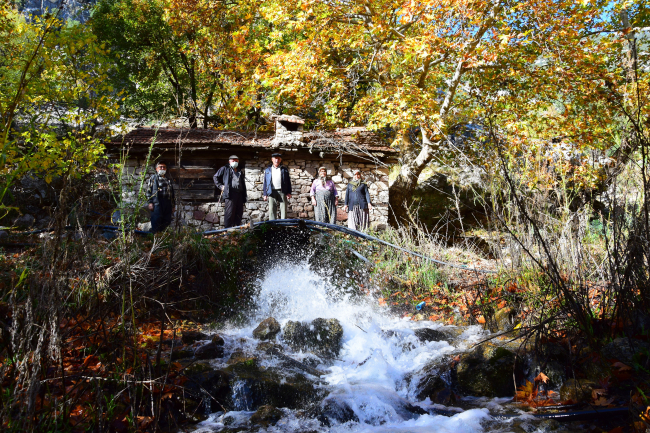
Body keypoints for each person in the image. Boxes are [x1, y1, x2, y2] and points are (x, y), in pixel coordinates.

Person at [214, 155, 247, 228]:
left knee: (239, 212)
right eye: (233, 161)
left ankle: (237, 229)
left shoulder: (240, 170)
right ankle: (227, 230)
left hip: (240, 194)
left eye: (236, 161)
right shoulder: (224, 169)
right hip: (230, 194)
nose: (235, 162)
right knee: (230, 212)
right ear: (229, 162)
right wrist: (220, 186)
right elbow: (215, 177)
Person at [147, 161, 175, 233]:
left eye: (164, 167)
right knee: (156, 220)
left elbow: (172, 193)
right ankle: (155, 238)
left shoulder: (168, 180)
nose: (162, 168)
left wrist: (173, 205)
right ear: (157, 169)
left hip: (167, 202)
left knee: (167, 220)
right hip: (157, 202)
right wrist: (150, 202)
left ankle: (163, 237)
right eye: (160, 167)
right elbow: (148, 191)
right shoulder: (153, 178)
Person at [262, 153, 292, 220]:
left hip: (282, 191)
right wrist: (265, 194)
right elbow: (265, 183)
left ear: (280, 160)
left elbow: (288, 182)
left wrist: (289, 192)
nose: (277, 160)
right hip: (271, 191)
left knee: (283, 209)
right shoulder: (268, 170)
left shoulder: (284, 170)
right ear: (272, 159)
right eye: (275, 158)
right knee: (272, 209)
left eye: (278, 158)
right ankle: (273, 225)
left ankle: (283, 224)